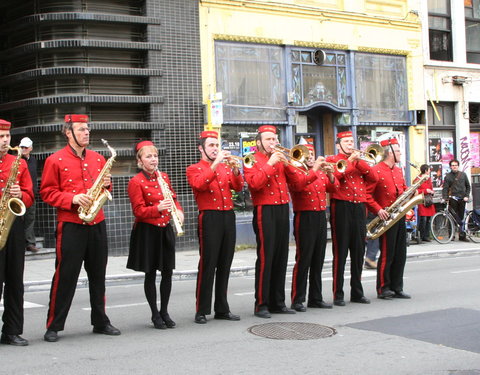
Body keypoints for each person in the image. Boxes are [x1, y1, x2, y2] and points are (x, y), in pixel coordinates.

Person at [40, 114, 121, 342]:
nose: (87, 133)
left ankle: (100, 321)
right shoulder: (54, 160)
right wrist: (72, 199)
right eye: (82, 129)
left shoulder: (97, 159)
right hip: (71, 225)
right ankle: (54, 325)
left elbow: (105, 187)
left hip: (97, 222)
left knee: (98, 275)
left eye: (88, 129)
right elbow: (46, 193)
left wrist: (107, 184)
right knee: (65, 276)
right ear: (69, 132)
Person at [244, 125, 301, 318]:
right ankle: (261, 304)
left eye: (274, 139)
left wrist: (288, 164)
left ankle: (278, 302)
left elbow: (297, 182)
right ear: (258, 142)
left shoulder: (280, 159)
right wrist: (270, 164)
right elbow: (254, 184)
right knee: (266, 256)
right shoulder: (251, 159)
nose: (273, 143)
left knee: (281, 256)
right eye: (269, 139)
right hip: (264, 209)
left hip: (283, 208)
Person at [186, 131, 243, 324]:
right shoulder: (194, 168)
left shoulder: (226, 167)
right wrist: (216, 162)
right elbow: (199, 184)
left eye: (216, 145)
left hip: (228, 215)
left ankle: (222, 308)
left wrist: (236, 172)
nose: (215, 148)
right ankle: (201, 310)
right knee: (208, 264)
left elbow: (238, 187)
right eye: (210, 145)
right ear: (201, 148)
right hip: (209, 217)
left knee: (225, 264)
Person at [127, 140, 183, 329]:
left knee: (167, 272)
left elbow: (173, 198)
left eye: (155, 156)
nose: (153, 159)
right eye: (148, 156)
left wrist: (179, 212)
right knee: (150, 274)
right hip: (147, 232)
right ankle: (154, 313)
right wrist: (157, 208)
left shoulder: (164, 177)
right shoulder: (136, 181)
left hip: (165, 229)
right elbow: (138, 211)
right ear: (140, 161)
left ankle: (165, 311)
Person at [325, 131, 378, 306]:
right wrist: (349, 161)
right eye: (346, 142)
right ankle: (338, 294)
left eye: (351, 141)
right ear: (339, 145)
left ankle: (357, 292)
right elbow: (334, 178)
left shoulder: (359, 161)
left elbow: (374, 177)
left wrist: (359, 162)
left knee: (358, 250)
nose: (350, 144)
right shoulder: (333, 159)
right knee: (340, 252)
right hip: (341, 206)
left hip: (359, 206)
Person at [288, 144, 338, 312]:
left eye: (312, 154)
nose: (310, 157)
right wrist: (315, 168)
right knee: (304, 259)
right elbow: (299, 186)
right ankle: (297, 299)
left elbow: (334, 188)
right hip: (304, 216)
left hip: (320, 216)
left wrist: (330, 174)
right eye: (307, 155)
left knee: (318, 258)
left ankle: (316, 298)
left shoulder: (320, 172)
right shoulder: (296, 171)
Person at [0, 119, 34, 346]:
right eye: (1, 137)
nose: (5, 141)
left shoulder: (19, 162)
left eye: (7, 136)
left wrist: (20, 194)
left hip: (13, 225)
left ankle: (11, 330)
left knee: (15, 280)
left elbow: (31, 197)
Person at [366, 138, 411, 300]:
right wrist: (378, 210)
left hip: (399, 215)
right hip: (385, 218)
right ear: (389, 152)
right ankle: (383, 287)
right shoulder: (376, 170)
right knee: (387, 253)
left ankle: (397, 287)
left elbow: (405, 190)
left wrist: (408, 205)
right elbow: (367, 195)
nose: (400, 153)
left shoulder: (398, 171)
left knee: (400, 253)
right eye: (398, 151)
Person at [442, 159, 471, 241]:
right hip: (453, 198)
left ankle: (462, 235)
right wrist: (445, 197)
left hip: (462, 198)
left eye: (456, 165)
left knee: (461, 217)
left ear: (458, 166)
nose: (454, 167)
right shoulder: (448, 176)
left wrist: (467, 196)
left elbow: (468, 186)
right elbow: (445, 188)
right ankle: (451, 235)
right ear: (450, 167)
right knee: (452, 217)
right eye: (453, 165)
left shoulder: (463, 175)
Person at [19, 137, 40, 253]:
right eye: (22, 147)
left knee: (30, 218)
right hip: (19, 194)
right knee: (19, 219)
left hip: (31, 194)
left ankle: (30, 243)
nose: (23, 149)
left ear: (31, 148)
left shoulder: (33, 160)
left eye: (26, 147)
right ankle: (20, 242)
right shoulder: (17, 159)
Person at [416, 164, 435, 242]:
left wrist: (432, 192)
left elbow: (430, 188)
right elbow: (416, 191)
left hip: (428, 201)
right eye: (429, 170)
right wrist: (425, 191)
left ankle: (426, 236)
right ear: (426, 170)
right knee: (423, 219)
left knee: (428, 219)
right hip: (422, 201)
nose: (429, 171)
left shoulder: (429, 179)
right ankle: (421, 235)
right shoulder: (418, 179)